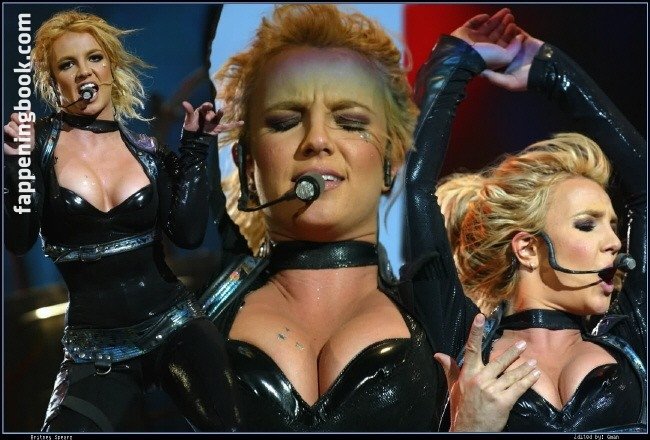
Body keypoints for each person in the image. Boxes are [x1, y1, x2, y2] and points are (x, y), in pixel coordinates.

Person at [200, 5, 539, 432]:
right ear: (247, 165)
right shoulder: (201, 300)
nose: (317, 140)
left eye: (349, 122)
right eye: (285, 121)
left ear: (390, 162)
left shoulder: (438, 315)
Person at [3, 10, 242, 432]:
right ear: (53, 82)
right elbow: (19, 239)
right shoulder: (37, 147)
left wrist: (195, 148)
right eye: (67, 64)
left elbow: (188, 235)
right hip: (95, 349)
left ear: (111, 67)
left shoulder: (147, 152)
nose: (83, 72)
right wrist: (15, 165)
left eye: (94, 57)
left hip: (174, 324)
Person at [430, 14, 647, 432]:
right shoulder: (463, 343)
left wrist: (549, 70)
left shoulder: (633, 332)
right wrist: (451, 65)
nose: (616, 243)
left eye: (614, 224)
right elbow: (415, 191)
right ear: (527, 248)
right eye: (587, 225)